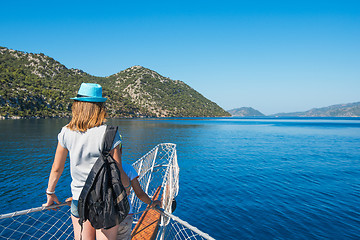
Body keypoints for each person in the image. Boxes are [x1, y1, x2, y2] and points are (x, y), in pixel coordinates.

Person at [43, 83, 130, 240]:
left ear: (77, 105)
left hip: (78, 199)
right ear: (100, 107)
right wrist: (128, 187)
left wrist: (50, 193)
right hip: (105, 201)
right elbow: (118, 171)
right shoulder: (109, 133)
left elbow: (57, 168)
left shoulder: (66, 132)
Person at [117, 163, 161, 240]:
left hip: (105, 214)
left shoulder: (101, 168)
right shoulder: (128, 168)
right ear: (120, 151)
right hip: (125, 214)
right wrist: (151, 203)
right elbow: (140, 194)